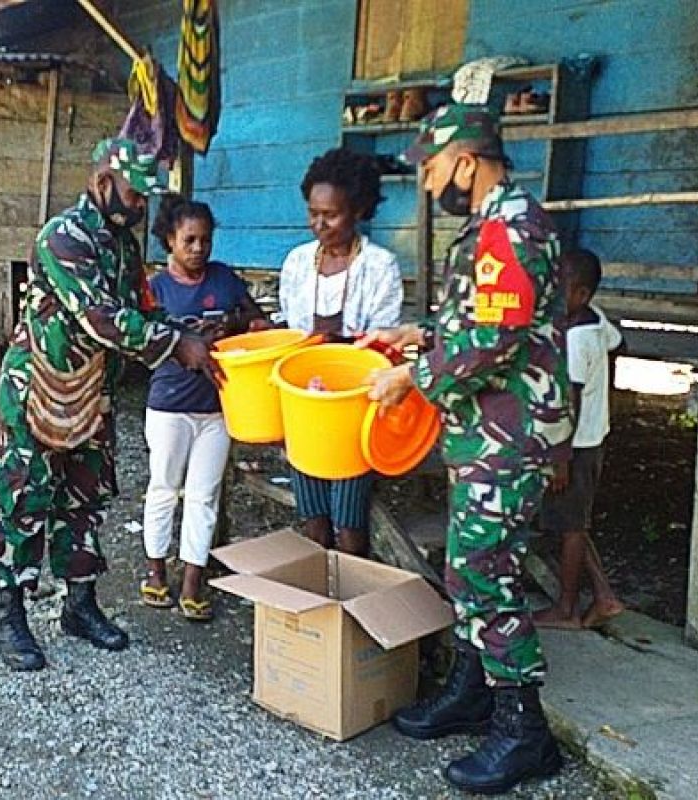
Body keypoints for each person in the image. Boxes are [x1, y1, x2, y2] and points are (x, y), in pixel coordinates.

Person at [361, 104, 573, 794]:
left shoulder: (512, 227)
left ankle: (524, 731)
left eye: (429, 169)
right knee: (469, 566)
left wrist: (410, 378)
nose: (426, 186)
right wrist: (416, 336)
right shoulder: (491, 227)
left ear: (465, 161)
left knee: (483, 573)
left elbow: (495, 341)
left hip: (507, 436)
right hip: (486, 432)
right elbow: (478, 319)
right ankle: (474, 689)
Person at [0, 138, 219, 671]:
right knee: (22, 501)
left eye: (147, 198)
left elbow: (142, 308)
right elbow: (104, 318)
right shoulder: (62, 238)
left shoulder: (123, 245)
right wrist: (176, 346)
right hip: (37, 389)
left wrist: (186, 329)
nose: (142, 207)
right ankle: (11, 614)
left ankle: (80, 604)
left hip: (92, 390)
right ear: (104, 181)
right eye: (136, 194)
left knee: (85, 497)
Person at [139, 194, 269, 622]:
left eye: (205, 241)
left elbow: (255, 319)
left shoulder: (225, 279)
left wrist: (236, 324)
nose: (198, 249)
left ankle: (193, 581)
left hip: (217, 409)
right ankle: (156, 572)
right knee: (163, 488)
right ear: (169, 242)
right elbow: (140, 347)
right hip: (169, 407)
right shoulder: (155, 290)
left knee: (203, 496)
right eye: (189, 240)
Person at [277, 147, 404, 556]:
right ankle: (320, 601)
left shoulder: (380, 266)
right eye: (313, 213)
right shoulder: (297, 263)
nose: (319, 224)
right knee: (312, 512)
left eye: (330, 215)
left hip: (354, 403)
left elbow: (384, 342)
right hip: (305, 402)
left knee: (350, 517)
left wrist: (337, 348)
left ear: (358, 210)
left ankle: (350, 598)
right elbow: (289, 330)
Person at [534, 249, 625, 630]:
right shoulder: (596, 321)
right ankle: (604, 597)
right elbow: (618, 343)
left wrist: (560, 458)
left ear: (582, 294)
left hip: (574, 446)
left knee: (571, 528)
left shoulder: (574, 341)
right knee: (575, 519)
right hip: (592, 437)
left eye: (561, 291)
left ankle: (567, 609)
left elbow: (567, 402)